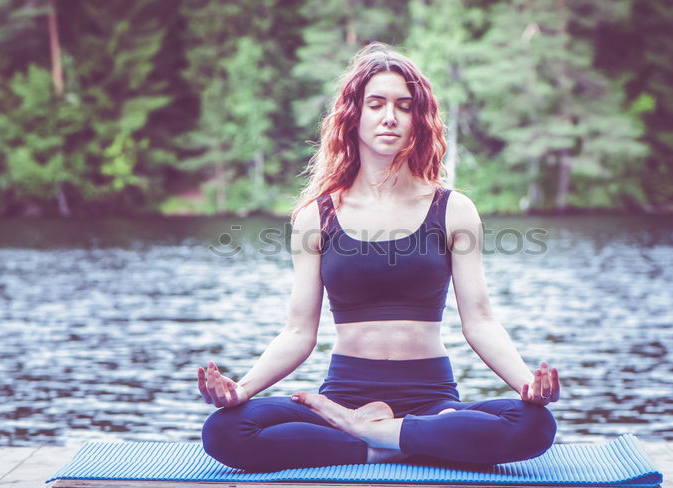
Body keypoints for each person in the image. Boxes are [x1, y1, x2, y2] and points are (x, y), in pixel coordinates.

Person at [198, 42, 560, 472]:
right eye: (376, 104)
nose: (390, 116)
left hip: (430, 399)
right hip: (343, 396)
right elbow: (298, 331)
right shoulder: (317, 215)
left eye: (403, 106)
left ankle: (377, 435)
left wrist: (525, 384)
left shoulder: (454, 210)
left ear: (417, 121)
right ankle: (403, 445)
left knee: (534, 424)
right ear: (354, 116)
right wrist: (242, 390)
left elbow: (479, 321)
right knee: (223, 430)